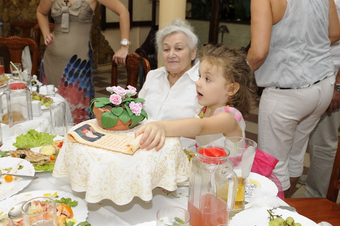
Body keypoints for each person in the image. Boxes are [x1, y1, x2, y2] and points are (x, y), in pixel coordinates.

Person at [247, 0, 340, 198]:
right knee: (296, 154)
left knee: (272, 165)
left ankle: (274, 214)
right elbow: (334, 32)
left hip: (287, 91)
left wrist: (237, 73)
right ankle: (288, 206)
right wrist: (306, 51)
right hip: (322, 85)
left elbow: (259, 51)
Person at [135, 44, 255, 151]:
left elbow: (200, 127)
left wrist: (161, 126)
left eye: (207, 79)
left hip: (225, 173)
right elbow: (194, 133)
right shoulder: (204, 109)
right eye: (199, 76)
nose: (197, 83)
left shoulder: (229, 118)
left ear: (231, 89)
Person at [36, 0, 130, 123]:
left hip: (78, 66)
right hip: (51, 61)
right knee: (49, 111)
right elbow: (40, 12)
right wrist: (46, 34)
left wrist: (124, 46)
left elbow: (123, 11)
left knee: (78, 114)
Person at [138, 19, 200, 150]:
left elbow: (205, 129)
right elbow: (138, 110)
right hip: (144, 148)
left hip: (183, 154)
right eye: (166, 49)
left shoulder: (201, 83)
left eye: (178, 48)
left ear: (193, 52)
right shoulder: (153, 75)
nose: (171, 54)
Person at [305, 0, 340, 198]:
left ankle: (317, 198)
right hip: (305, 66)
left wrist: (338, 84)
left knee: (323, 140)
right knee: (297, 138)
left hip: (333, 70)